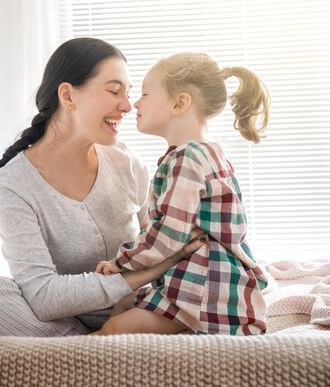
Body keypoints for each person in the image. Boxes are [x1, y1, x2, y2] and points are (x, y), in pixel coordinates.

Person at [0, 38, 206, 337]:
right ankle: (87, 345)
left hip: (135, 311)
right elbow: (43, 296)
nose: (126, 106)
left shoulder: (127, 164)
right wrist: (142, 275)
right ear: (68, 95)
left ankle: (77, 349)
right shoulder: (13, 183)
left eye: (129, 94)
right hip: (63, 318)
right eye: (114, 91)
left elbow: (158, 245)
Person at [92, 52, 270, 336]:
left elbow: (169, 234)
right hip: (212, 285)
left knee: (115, 327)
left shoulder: (187, 159)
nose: (135, 103)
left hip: (207, 292)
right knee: (123, 302)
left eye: (146, 94)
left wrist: (121, 262)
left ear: (179, 103)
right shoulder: (210, 153)